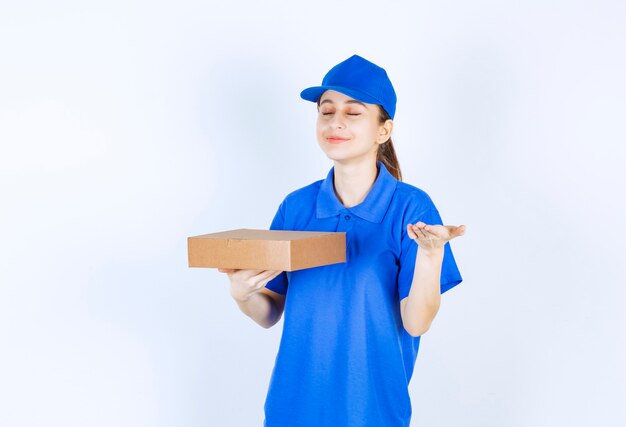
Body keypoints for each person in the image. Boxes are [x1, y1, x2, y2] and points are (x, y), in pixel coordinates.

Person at [219, 54, 465, 427]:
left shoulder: (411, 208)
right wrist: (242, 293)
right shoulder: (296, 207)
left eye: (353, 113)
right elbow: (270, 313)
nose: (335, 122)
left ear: (384, 130)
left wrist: (431, 257)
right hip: (292, 409)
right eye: (326, 111)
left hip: (371, 412)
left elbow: (416, 323)